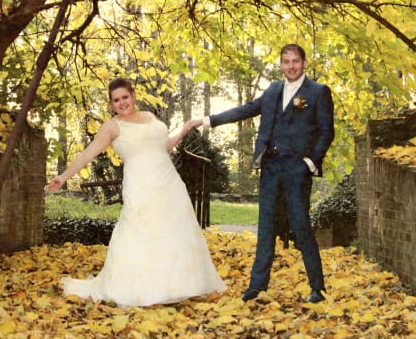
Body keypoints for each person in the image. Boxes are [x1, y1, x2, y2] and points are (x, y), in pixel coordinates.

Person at [48, 77, 226, 307]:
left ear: (133, 96)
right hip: (141, 186)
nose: (122, 103)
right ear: (111, 104)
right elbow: (87, 154)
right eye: (116, 100)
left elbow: (161, 148)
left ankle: (175, 286)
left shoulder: (150, 117)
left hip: (169, 183)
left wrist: (182, 130)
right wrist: (62, 177)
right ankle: (142, 289)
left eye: (125, 97)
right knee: (141, 231)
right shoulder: (112, 127)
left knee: (174, 232)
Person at [187, 44, 334, 304]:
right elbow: (245, 110)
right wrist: (207, 120)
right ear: (281, 64)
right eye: (286, 61)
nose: (291, 66)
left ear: (304, 63)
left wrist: (310, 162)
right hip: (270, 168)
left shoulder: (318, 92)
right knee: (265, 227)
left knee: (300, 227)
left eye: (295, 61)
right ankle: (257, 286)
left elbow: (326, 131)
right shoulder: (274, 90)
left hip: (297, 169)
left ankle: (317, 288)